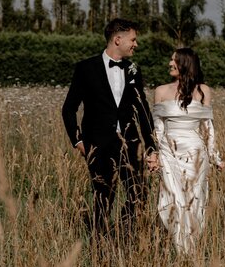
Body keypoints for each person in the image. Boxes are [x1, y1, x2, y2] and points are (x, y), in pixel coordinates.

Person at [62, 18, 158, 235]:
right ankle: (101, 247)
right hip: (97, 145)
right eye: (133, 39)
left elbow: (143, 110)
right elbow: (69, 108)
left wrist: (151, 146)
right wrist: (78, 140)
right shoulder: (85, 68)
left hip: (130, 144)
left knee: (138, 193)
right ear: (117, 39)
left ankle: (125, 236)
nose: (136, 44)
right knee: (103, 198)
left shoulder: (133, 69)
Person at [152, 48, 224, 253]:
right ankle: (178, 246)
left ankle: (188, 251)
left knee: (194, 200)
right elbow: (158, 128)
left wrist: (215, 157)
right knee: (171, 200)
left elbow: (208, 127)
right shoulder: (160, 91)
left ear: (185, 63)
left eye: (174, 60)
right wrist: (156, 155)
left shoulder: (203, 90)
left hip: (196, 154)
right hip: (169, 153)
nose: (169, 63)